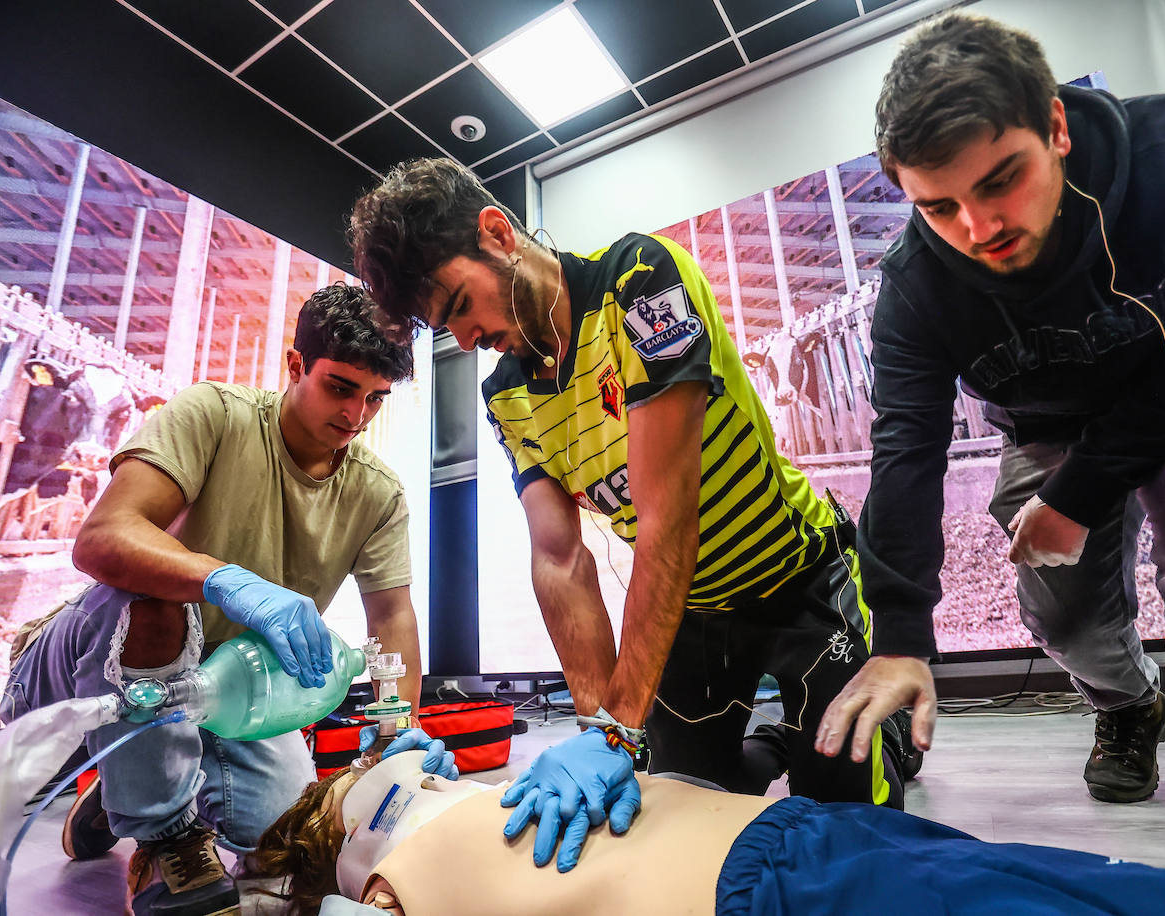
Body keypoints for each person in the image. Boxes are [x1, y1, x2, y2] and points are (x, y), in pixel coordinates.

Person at [814, 11, 1165, 896]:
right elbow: (906, 451)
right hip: (1048, 425)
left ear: (1055, 127)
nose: (976, 227)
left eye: (1001, 181)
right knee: (1063, 618)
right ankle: (1132, 703)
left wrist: (1083, 492)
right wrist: (900, 637)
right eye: (938, 207)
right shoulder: (913, 290)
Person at [349, 158, 899, 871]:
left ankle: (863, 742)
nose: (463, 338)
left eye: (458, 305)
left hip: (799, 579)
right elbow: (559, 557)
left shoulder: (639, 281)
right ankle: (772, 742)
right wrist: (595, 727)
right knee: (675, 807)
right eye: (441, 327)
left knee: (847, 827)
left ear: (496, 233)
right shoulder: (506, 395)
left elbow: (669, 516)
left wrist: (619, 730)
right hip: (693, 615)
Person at [0, 285, 450, 916]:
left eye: (376, 398)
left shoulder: (376, 494)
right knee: (156, 600)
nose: (356, 415)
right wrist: (222, 579)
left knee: (283, 840)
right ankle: (163, 839)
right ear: (296, 366)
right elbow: (103, 537)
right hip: (85, 673)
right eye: (340, 387)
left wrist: (399, 731)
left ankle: (128, 785)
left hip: (230, 692)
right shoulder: (215, 414)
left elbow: (393, 617)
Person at [241, 748, 1165, 916]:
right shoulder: (393, 891)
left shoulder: (515, 784)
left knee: (1101, 884)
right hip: (770, 887)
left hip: (793, 839)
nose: (424, 768)